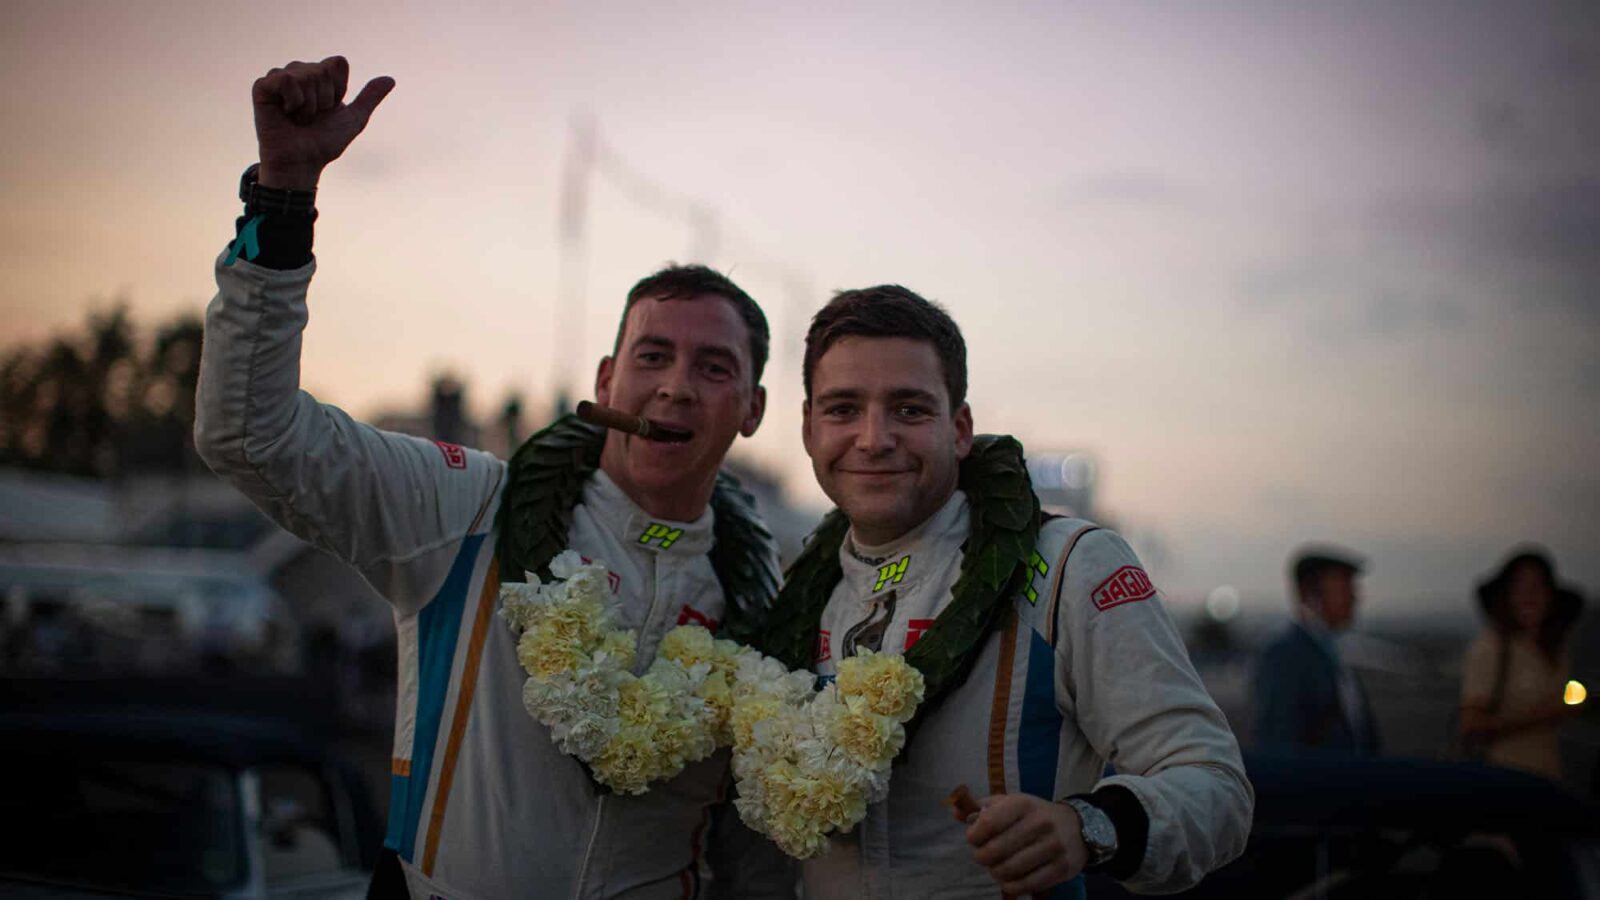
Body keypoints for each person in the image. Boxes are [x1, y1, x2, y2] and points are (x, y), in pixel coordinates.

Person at [194, 57, 793, 899]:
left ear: (753, 409)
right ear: (606, 381)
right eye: (652, 356)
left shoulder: (770, 599)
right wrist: (283, 197)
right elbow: (249, 435)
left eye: (714, 367)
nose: (676, 387)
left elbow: (759, 850)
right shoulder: (469, 505)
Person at [755, 286, 1253, 897]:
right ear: (808, 429)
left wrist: (1088, 825)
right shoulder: (796, 590)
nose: (874, 438)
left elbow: (1216, 787)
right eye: (843, 409)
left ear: (960, 429)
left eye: (909, 409)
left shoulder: (1070, 564)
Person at [1458, 548, 1584, 781]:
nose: (1529, 596)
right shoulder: (1491, 649)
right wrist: (1547, 714)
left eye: (1537, 587)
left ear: (1550, 595)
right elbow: (1470, 724)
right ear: (1506, 597)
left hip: (1548, 775)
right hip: (1505, 778)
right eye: (1519, 589)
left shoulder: (1554, 650)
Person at [1252, 547, 1380, 755]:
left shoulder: (1335, 656)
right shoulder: (1286, 658)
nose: (1354, 598)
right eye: (1344, 588)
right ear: (1310, 594)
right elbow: (1279, 745)